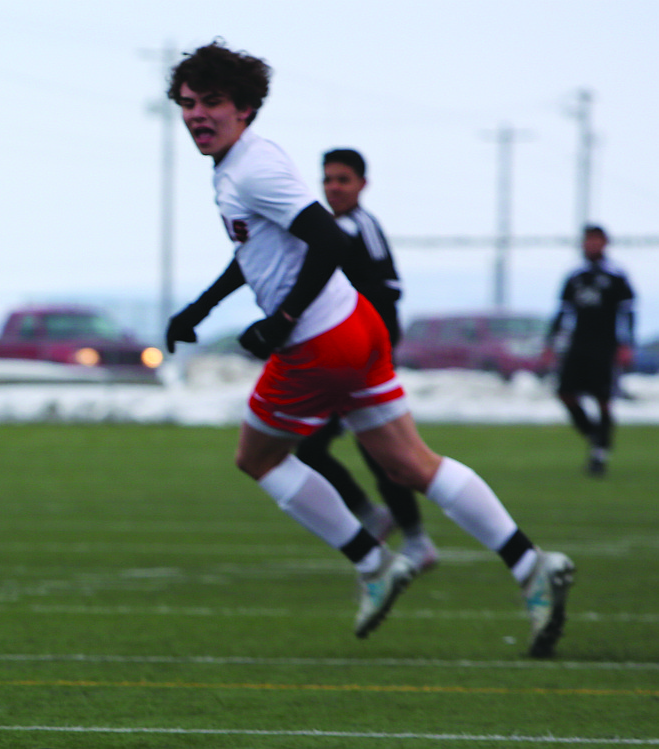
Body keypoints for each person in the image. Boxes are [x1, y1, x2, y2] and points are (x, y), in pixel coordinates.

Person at [163, 41, 573, 656]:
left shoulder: (251, 166)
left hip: (319, 340)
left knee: (259, 458)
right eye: (188, 103)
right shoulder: (239, 165)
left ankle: (373, 562)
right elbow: (258, 251)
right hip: (355, 328)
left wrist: (282, 322)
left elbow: (328, 240)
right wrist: (201, 307)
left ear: (245, 107)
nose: (197, 114)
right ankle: (529, 564)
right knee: (411, 464)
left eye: (211, 102)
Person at [293, 149, 438, 572]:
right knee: (312, 447)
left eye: (343, 180)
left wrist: (371, 348)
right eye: (328, 180)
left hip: (363, 356)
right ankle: (377, 517)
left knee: (379, 449)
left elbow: (386, 291)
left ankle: (414, 538)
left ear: (362, 185)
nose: (334, 187)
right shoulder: (333, 227)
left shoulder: (360, 228)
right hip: (342, 355)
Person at [544, 225, 635, 477]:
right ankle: (595, 435)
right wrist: (550, 343)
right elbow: (563, 311)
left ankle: (599, 456)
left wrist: (626, 344)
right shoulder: (575, 276)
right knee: (565, 393)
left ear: (605, 243)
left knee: (603, 399)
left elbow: (628, 313)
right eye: (588, 241)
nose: (592, 245)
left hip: (605, 346)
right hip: (579, 344)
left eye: (597, 241)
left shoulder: (617, 276)